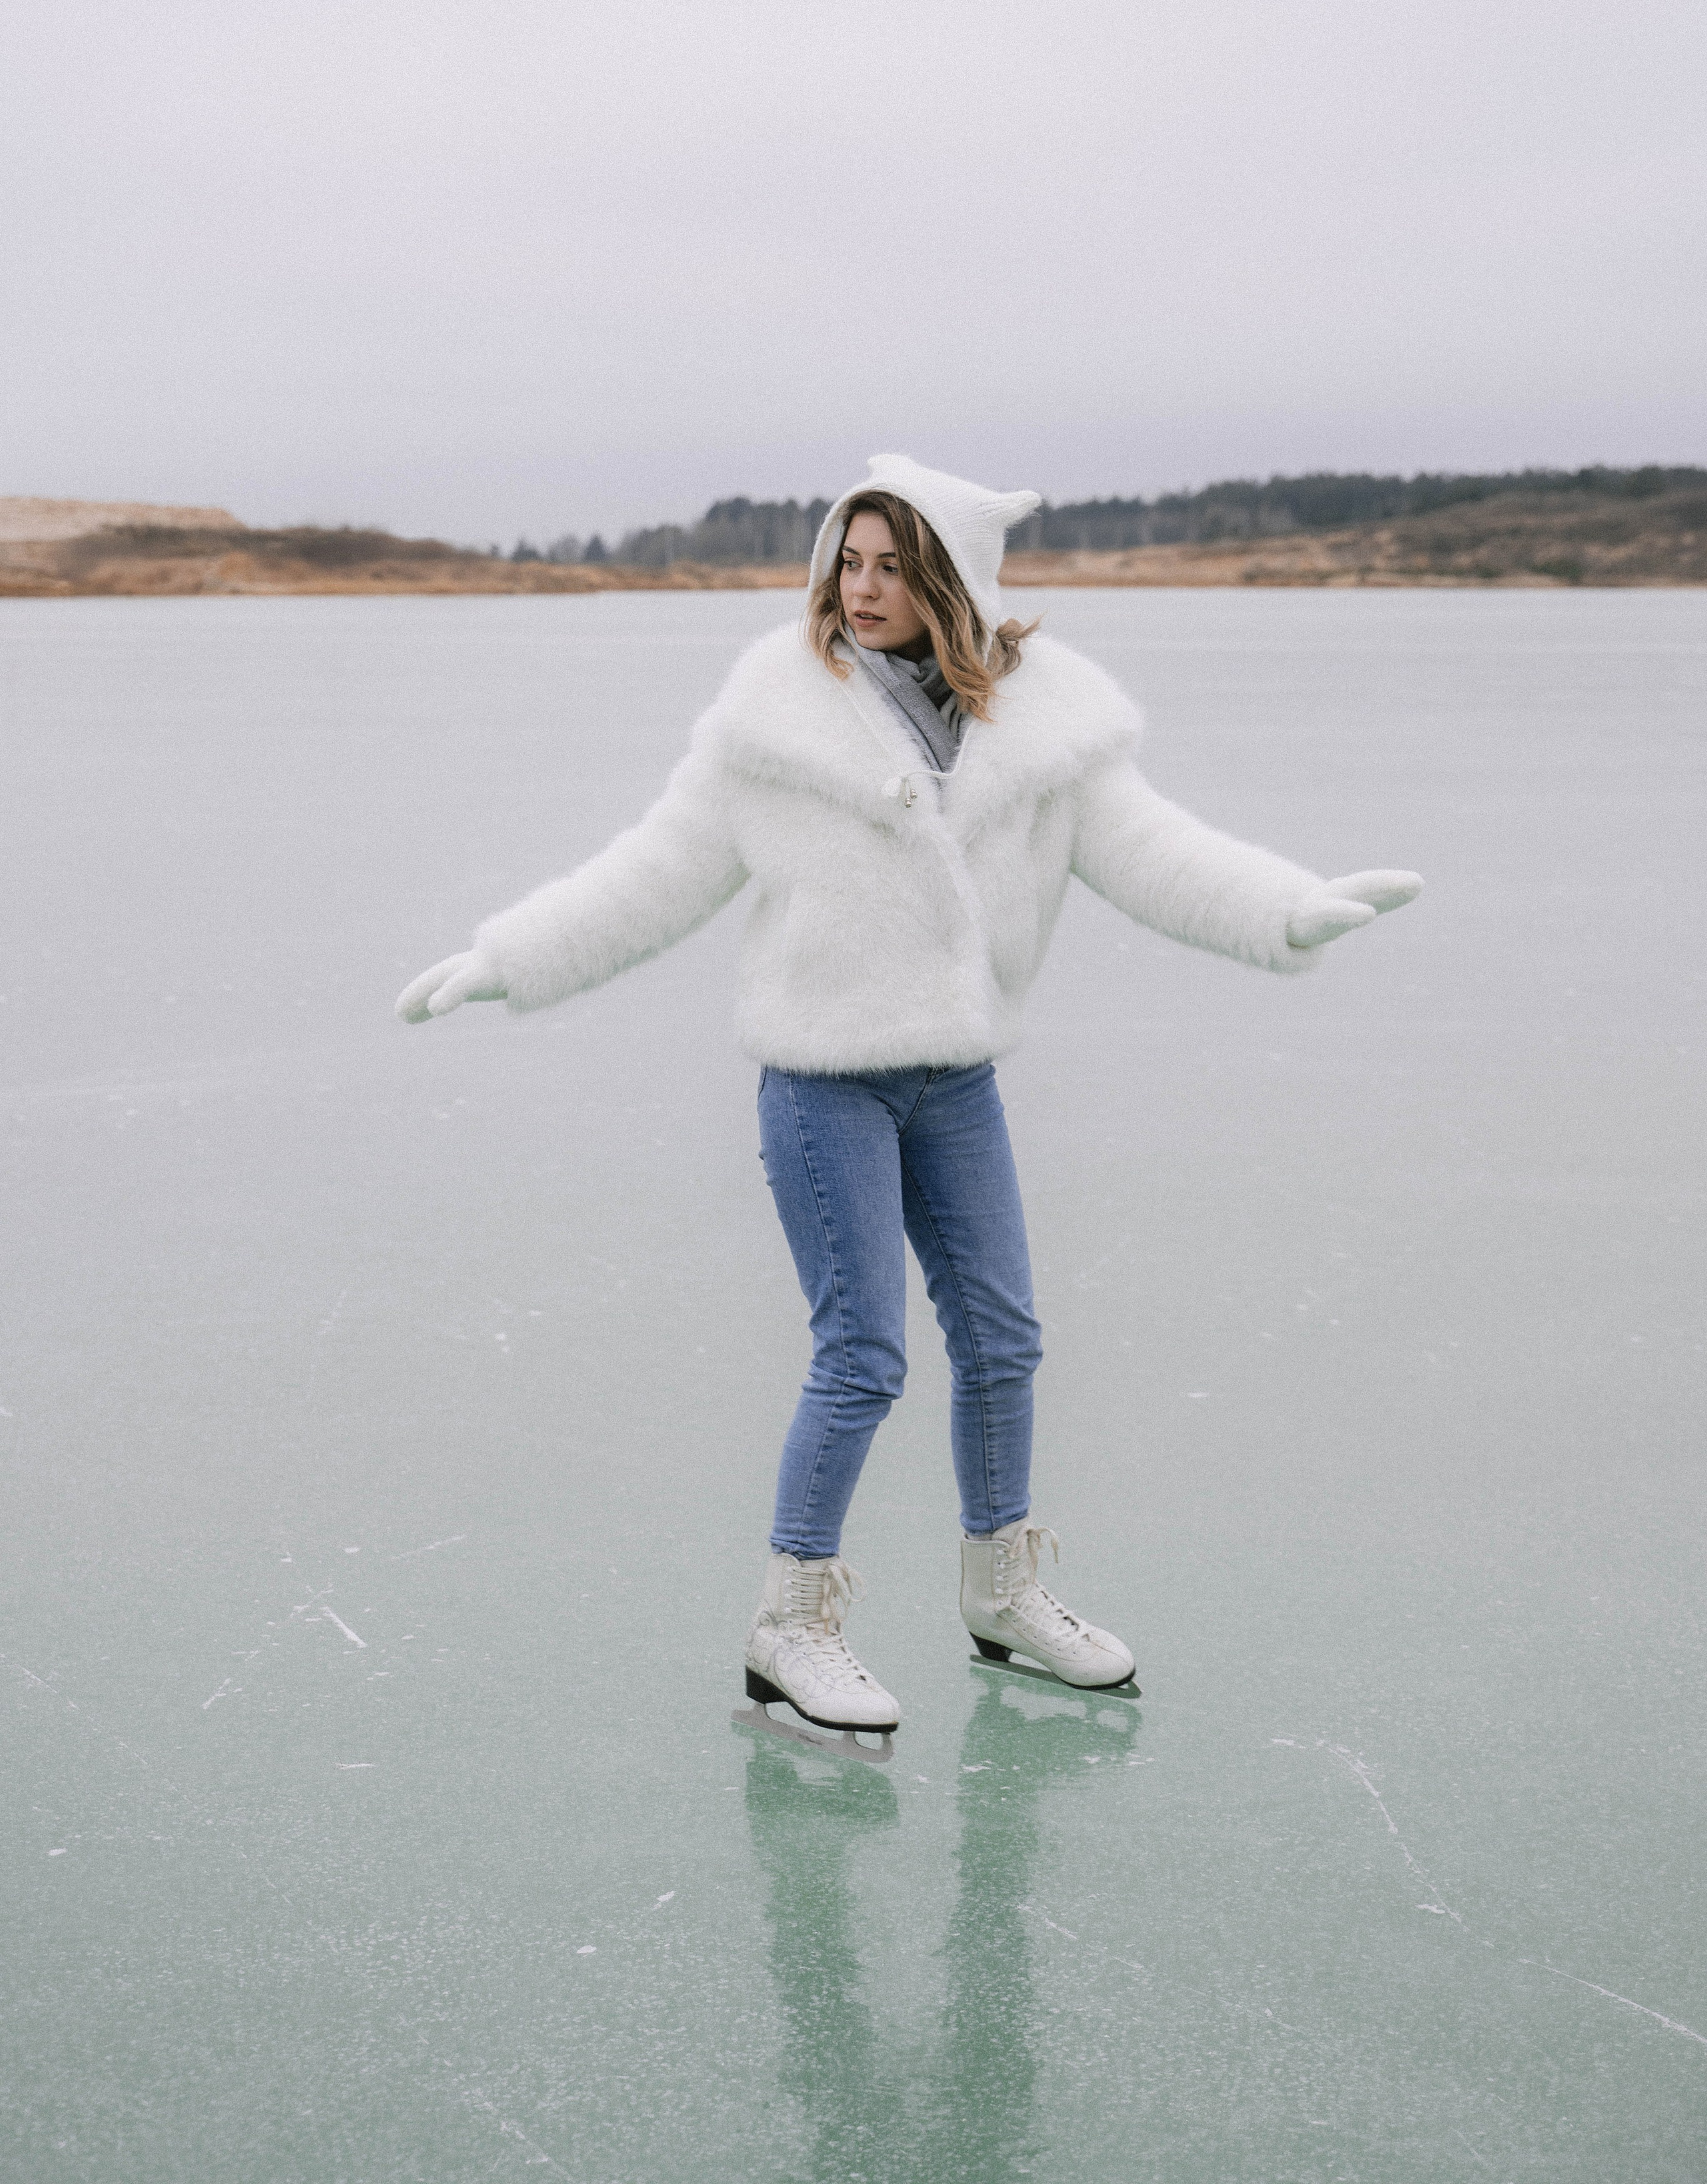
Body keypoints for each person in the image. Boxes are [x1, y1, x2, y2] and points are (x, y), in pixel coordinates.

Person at [397, 455, 1421, 1737]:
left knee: (1004, 1338)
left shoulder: (1042, 728)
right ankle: (790, 1633)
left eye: (891, 565)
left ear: (953, 582)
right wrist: (512, 955)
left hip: (956, 1079)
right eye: (850, 559)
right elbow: (653, 871)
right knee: (864, 1356)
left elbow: (1154, 849)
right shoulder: (777, 723)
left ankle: (1003, 1599)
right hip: (825, 1084)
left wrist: (1285, 908)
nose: (860, 587)